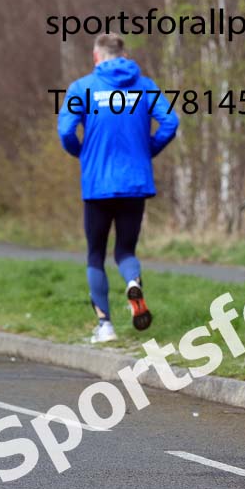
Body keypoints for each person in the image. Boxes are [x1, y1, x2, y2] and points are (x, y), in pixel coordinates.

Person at [57, 33, 179, 343]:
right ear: (122, 55)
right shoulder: (145, 86)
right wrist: (146, 150)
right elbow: (171, 122)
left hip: (98, 184)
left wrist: (81, 153)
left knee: (95, 255)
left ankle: (105, 327)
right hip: (136, 182)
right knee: (125, 249)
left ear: (96, 57)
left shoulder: (82, 89)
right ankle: (132, 283)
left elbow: (66, 130)